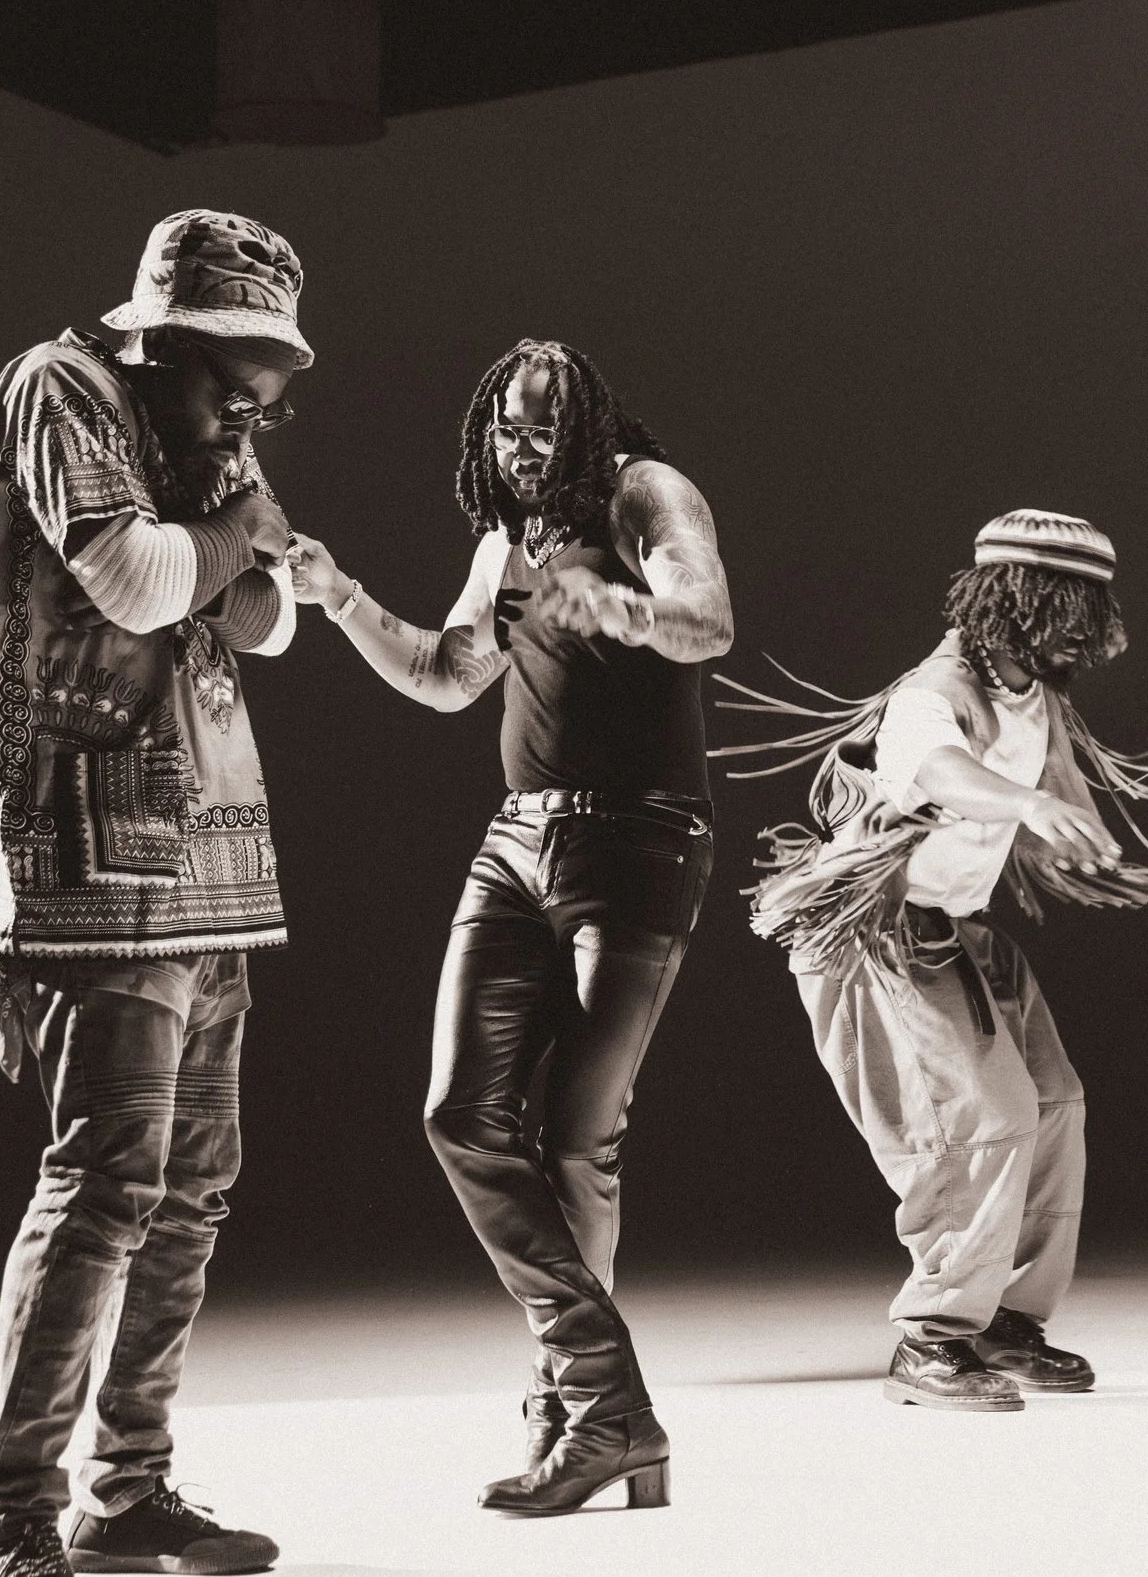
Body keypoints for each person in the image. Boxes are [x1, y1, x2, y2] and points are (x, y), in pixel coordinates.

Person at [285, 340, 730, 1515]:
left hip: (640, 840)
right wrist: (340, 599)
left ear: (582, 427)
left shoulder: (646, 492)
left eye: (539, 432)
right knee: (457, 1113)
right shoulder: (503, 542)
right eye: (504, 432)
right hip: (518, 841)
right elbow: (445, 673)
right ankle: (610, 1407)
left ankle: (578, 1411)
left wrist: (624, 606)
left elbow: (707, 620)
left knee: (578, 1140)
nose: (519, 452)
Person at [0, 209, 314, 1577]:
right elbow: (132, 571)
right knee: (107, 1178)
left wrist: (231, 534)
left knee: (192, 1185)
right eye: (231, 377)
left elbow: (263, 620)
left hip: (209, 853)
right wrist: (234, 534)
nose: (249, 407)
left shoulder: (193, 440)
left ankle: (132, 1483)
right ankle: (11, 1515)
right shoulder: (59, 390)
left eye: (265, 386)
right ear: (163, 336)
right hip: (92, 844)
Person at [716, 510, 1148, 1412]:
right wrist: (1025, 803)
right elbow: (941, 770)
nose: (1080, 630)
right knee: (986, 1116)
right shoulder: (934, 692)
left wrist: (1060, 823)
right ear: (1012, 601)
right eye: (1062, 608)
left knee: (1056, 1103)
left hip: (957, 931)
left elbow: (1020, 783)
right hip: (879, 938)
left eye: (1088, 611)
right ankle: (933, 1335)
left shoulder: (1037, 691)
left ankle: (1006, 1320)